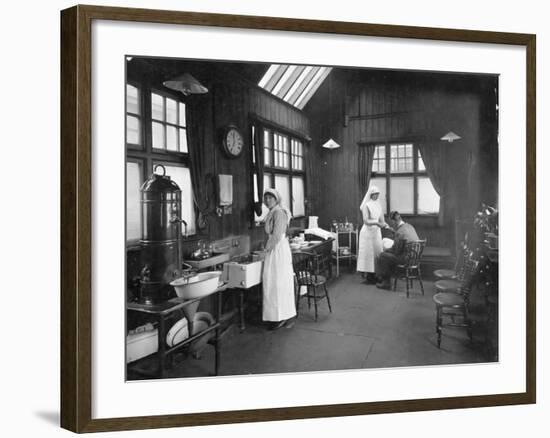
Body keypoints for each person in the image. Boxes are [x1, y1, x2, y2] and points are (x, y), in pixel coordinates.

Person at [261, 188, 296, 330]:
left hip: (278, 250)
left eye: (271, 198)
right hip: (276, 248)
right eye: (266, 198)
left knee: (277, 283)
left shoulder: (279, 212)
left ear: (277, 200)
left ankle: (280, 317)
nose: (268, 200)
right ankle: (276, 316)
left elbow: (277, 235)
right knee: (273, 283)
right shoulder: (272, 212)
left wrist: (266, 250)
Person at [376, 211, 419, 289]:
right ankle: (385, 278)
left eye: (391, 222)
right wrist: (394, 233)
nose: (391, 224)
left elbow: (397, 251)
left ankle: (386, 282)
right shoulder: (409, 226)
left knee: (383, 255)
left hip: (407, 259)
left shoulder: (399, 232)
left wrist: (386, 250)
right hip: (415, 258)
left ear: (393, 221)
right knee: (387, 255)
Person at [357, 186, 390, 283]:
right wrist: (377, 223)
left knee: (376, 252)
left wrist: (385, 225)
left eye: (377, 194)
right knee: (368, 253)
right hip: (367, 232)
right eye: (374, 194)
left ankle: (376, 274)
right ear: (370, 195)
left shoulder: (378, 205)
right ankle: (369, 276)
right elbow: (366, 221)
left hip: (376, 232)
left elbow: (382, 220)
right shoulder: (366, 205)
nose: (376, 196)